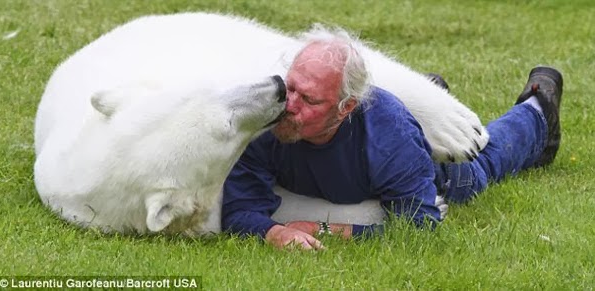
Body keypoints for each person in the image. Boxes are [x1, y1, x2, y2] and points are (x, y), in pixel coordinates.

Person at [221, 27, 563, 250]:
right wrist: (275, 232)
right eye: (291, 87)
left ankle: (538, 111)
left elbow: (418, 230)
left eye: (310, 100)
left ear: (346, 108)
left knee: (482, 166)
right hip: (395, 140)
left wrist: (321, 228)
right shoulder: (270, 116)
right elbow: (238, 208)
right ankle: (431, 93)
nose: (290, 106)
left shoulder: (388, 138)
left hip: (431, 168)